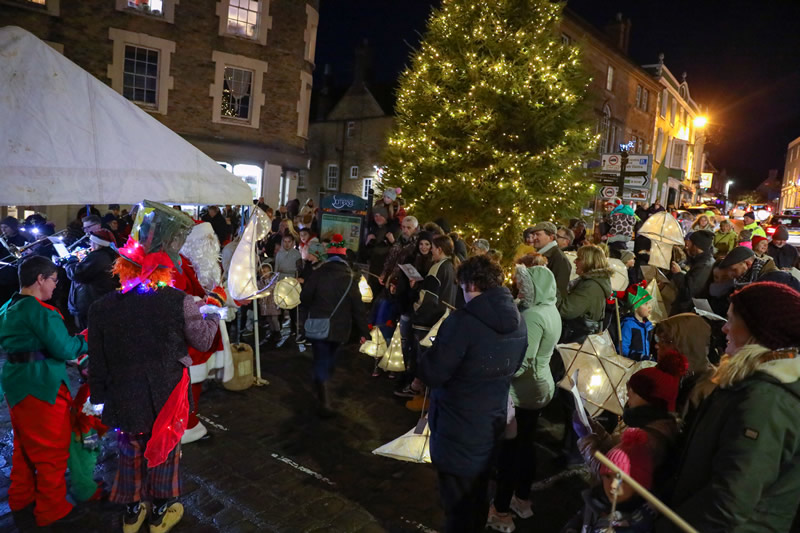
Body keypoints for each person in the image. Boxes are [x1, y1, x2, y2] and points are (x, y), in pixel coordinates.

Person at [89, 200, 220, 533]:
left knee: (130, 451)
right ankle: (161, 510)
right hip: (166, 395)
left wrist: (100, 397)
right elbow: (203, 341)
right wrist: (213, 309)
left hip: (123, 395)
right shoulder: (179, 302)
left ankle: (133, 512)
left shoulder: (103, 307)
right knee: (163, 451)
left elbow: (98, 358)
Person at [659, 282, 800, 532]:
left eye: (731, 319)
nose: (724, 328)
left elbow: (729, 501)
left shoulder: (767, 399)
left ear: (758, 330)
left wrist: (664, 528)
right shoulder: (750, 383)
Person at [419, 255, 527, 533]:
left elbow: (433, 373)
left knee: (456, 506)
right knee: (478, 498)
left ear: (472, 285)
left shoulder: (462, 322)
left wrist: (425, 352)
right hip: (491, 425)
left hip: (457, 427)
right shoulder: (519, 320)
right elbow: (514, 366)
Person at [0, 256, 89, 526]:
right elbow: (65, 349)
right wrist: (86, 339)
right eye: (53, 281)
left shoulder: (9, 306)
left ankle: (21, 498)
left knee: (24, 447)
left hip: (16, 386)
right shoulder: (41, 311)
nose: (54, 287)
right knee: (51, 451)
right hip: (42, 387)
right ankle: (52, 509)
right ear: (40, 279)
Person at [487, 263, 561, 532]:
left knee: (510, 451)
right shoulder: (550, 309)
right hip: (541, 387)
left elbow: (523, 362)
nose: (519, 287)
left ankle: (502, 510)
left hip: (524, 391)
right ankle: (522, 500)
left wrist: (497, 375)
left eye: (524, 284)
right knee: (526, 446)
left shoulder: (533, 316)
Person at [299, 234, 368, 417]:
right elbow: (358, 308)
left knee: (320, 357)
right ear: (344, 256)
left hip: (317, 326)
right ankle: (323, 389)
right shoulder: (350, 279)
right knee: (329, 357)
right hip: (340, 329)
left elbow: (304, 298)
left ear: (328, 256)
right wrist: (364, 332)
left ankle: (322, 393)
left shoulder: (317, 273)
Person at [562, 428, 658, 533]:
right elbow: (576, 521)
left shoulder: (636, 524)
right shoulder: (596, 500)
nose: (613, 485)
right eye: (607, 476)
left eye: (623, 480)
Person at [407, 234, 459, 410]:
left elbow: (428, 298)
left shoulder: (437, 268)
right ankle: (425, 397)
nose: (430, 251)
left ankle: (421, 397)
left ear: (439, 249)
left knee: (423, 359)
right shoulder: (452, 267)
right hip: (441, 321)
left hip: (427, 322)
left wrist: (416, 308)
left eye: (433, 248)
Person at [64, 229, 119, 330]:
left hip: (89, 303)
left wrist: (71, 261)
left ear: (98, 243)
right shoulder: (105, 255)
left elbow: (77, 274)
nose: (90, 244)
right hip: (95, 302)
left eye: (91, 241)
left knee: (87, 335)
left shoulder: (99, 257)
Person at [558, 245, 612, 343]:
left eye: (579, 259)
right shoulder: (593, 282)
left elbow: (566, 310)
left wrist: (555, 290)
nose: (575, 261)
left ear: (589, 262)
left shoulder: (590, 286)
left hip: (578, 339)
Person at [669, 229, 715, 314]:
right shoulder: (697, 260)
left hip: (687, 311)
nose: (687, 247)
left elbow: (688, 292)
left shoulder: (704, 265)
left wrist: (678, 273)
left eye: (690, 244)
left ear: (696, 246)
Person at [531, 221, 571, 305]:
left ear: (551, 237)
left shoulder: (559, 259)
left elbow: (559, 291)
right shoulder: (539, 255)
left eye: (538, 234)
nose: (534, 238)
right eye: (533, 235)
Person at [620, 286, 654, 361]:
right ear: (636, 307)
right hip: (632, 364)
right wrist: (638, 356)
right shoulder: (628, 324)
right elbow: (622, 348)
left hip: (643, 364)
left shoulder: (648, 326)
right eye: (645, 304)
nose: (649, 307)